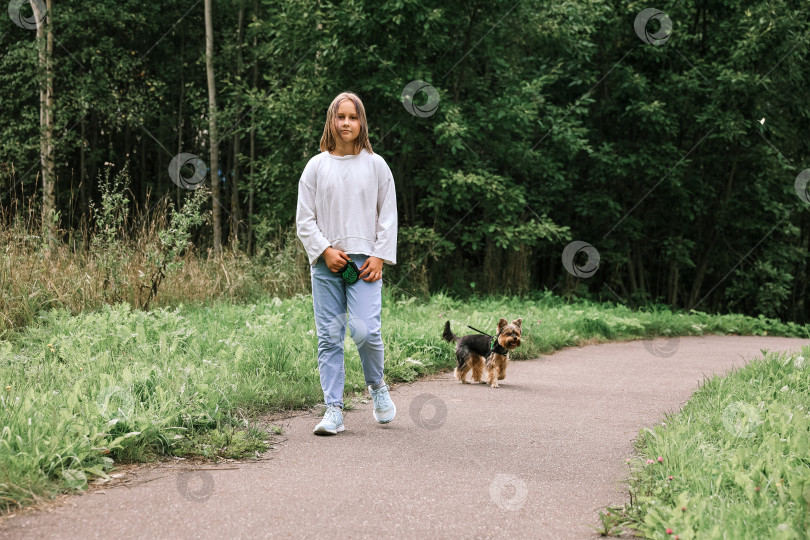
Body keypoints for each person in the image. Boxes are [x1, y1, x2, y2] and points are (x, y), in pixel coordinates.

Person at [295, 91, 398, 435]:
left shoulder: (376, 164)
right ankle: (333, 410)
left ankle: (377, 387)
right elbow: (304, 219)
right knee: (329, 336)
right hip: (326, 263)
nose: (346, 123)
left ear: (361, 122)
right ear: (331, 121)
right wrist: (324, 250)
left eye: (353, 117)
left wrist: (380, 255)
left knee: (366, 332)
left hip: (366, 263)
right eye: (341, 117)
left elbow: (388, 216)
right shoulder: (316, 166)